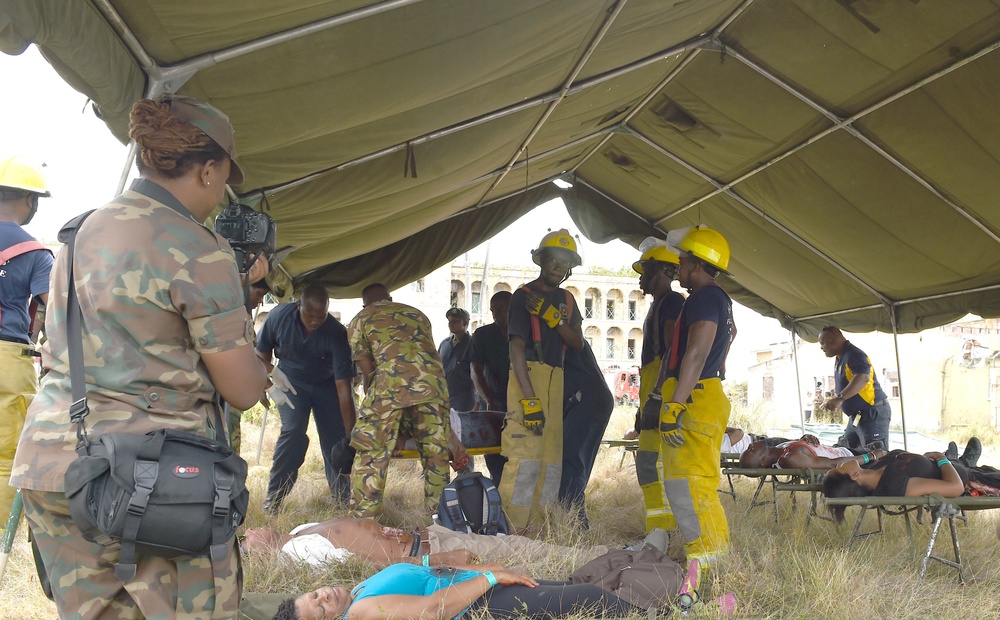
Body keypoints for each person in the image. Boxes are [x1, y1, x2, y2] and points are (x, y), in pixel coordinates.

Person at [11, 95, 270, 618]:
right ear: (208, 169)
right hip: (151, 481)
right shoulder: (199, 248)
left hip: (55, 465)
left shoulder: (78, 233)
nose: (220, 195)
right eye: (222, 180)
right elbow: (243, 389)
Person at [654, 225, 735, 566]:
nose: (679, 267)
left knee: (691, 484)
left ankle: (709, 562)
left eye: (684, 261)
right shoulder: (716, 299)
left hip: (695, 396)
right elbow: (729, 336)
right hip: (702, 393)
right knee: (686, 484)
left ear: (697, 264)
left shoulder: (705, 298)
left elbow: (696, 354)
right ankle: (705, 557)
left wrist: (673, 405)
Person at [500, 229, 584, 528]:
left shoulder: (567, 301)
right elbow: (516, 348)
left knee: (550, 463)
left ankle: (540, 532)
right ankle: (509, 532)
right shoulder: (523, 297)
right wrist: (528, 398)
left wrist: (553, 318)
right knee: (525, 461)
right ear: (542, 259)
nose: (559, 265)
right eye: (554, 259)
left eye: (565, 261)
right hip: (529, 377)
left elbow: (577, 343)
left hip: (555, 380)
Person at [347, 283, 451, 518]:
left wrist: (373, 403)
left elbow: (367, 369)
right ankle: (442, 521)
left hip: (390, 386)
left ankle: (363, 523)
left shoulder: (361, 318)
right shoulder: (418, 314)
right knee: (436, 458)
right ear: (390, 298)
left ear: (365, 304)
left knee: (371, 453)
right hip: (434, 388)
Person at [257, 283, 357, 511]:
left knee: (336, 441)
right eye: (309, 315)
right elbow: (260, 353)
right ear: (298, 305)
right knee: (292, 433)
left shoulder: (336, 333)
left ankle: (342, 502)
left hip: (327, 386)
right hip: (290, 382)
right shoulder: (279, 316)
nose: (314, 321)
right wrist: (265, 383)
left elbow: (344, 388)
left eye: (320, 317)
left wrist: (350, 433)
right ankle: (273, 500)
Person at [275, 562, 644, 620]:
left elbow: (428, 572)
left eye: (315, 596)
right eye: (321, 610)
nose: (325, 598)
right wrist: (490, 579)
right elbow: (434, 608)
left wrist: (487, 569)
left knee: (578, 590)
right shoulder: (361, 612)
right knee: (590, 599)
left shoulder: (357, 591)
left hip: (478, 584)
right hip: (478, 604)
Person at [238, 517, 609, 570]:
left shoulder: (301, 530)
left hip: (425, 538)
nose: (249, 531)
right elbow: (366, 568)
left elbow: (363, 535)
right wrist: (444, 558)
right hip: (429, 551)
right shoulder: (296, 550)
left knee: (519, 546)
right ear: (257, 551)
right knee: (525, 552)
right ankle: (611, 557)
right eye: (246, 540)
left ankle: (612, 557)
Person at [0, 156, 53, 524]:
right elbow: (59, 310)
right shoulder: (35, 253)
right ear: (30, 202)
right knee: (6, 456)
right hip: (7, 359)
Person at [632, 236, 685, 533]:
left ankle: (665, 531)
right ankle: (658, 530)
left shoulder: (673, 303)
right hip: (653, 393)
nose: (642, 278)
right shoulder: (658, 305)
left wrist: (655, 397)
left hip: (661, 393)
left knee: (657, 465)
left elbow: (670, 354)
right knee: (648, 464)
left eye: (646, 271)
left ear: (662, 271)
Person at [823, 443, 1000, 524]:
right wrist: (941, 458)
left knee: (964, 464)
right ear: (854, 476)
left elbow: (881, 452)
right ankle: (960, 460)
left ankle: (962, 460)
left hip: (959, 469)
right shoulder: (895, 485)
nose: (840, 463)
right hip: (972, 481)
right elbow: (955, 487)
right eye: (839, 468)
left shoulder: (872, 469)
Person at [559, 341, 614, 526]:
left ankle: (576, 525)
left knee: (570, 461)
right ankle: (572, 519)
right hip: (587, 399)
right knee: (572, 461)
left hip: (585, 399)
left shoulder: (560, 333)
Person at [818, 326, 891, 449]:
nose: (821, 348)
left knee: (876, 456)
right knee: (845, 451)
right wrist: (834, 400)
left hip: (871, 413)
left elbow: (863, 377)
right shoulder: (840, 358)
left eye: (823, 343)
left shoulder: (854, 354)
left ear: (834, 340)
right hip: (857, 416)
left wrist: (839, 399)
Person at [469, 290, 512, 484]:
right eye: (493, 310)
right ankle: (497, 491)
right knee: (494, 454)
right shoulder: (483, 334)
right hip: (493, 403)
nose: (496, 314)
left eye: (501, 309)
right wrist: (488, 399)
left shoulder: (526, 333)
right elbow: (475, 370)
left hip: (521, 403)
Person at [738, 435, 884, 469]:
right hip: (856, 460)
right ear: (762, 460)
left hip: (844, 449)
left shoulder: (781, 449)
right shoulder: (790, 459)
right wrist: (870, 456)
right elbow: (833, 464)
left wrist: (805, 439)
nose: (750, 445)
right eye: (750, 451)